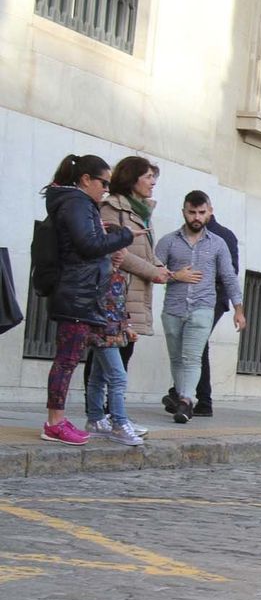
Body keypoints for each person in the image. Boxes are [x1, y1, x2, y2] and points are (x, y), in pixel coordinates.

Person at [40, 154, 133, 445]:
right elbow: (88, 245)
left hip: (83, 294)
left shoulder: (77, 204)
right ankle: (54, 422)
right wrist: (125, 236)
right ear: (85, 180)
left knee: (79, 358)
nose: (105, 189)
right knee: (66, 360)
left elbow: (85, 240)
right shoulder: (77, 202)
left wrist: (106, 231)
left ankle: (76, 418)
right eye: (103, 183)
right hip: (77, 294)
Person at [87, 156, 181, 430]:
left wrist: (162, 268)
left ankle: (108, 415)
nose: (153, 184)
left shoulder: (141, 212)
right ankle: (105, 416)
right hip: (116, 292)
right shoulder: (111, 208)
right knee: (106, 360)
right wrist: (152, 271)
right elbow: (115, 250)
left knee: (121, 355)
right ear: (133, 178)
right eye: (149, 177)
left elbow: (146, 252)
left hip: (135, 294)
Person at [154, 192, 246, 424]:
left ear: (210, 211)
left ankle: (185, 400)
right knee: (176, 358)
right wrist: (176, 275)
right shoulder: (169, 241)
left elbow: (229, 276)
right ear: (183, 211)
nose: (196, 217)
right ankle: (183, 398)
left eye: (201, 212)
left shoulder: (218, 243)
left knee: (192, 356)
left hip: (203, 307)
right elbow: (153, 270)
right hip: (173, 308)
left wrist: (238, 309)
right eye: (192, 212)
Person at [84, 209, 143, 447]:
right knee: (118, 378)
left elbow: (117, 306)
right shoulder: (98, 272)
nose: (122, 254)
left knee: (98, 378)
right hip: (102, 333)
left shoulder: (117, 274)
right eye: (118, 248)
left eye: (124, 248)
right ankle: (119, 422)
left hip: (113, 334)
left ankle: (96, 418)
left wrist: (126, 326)